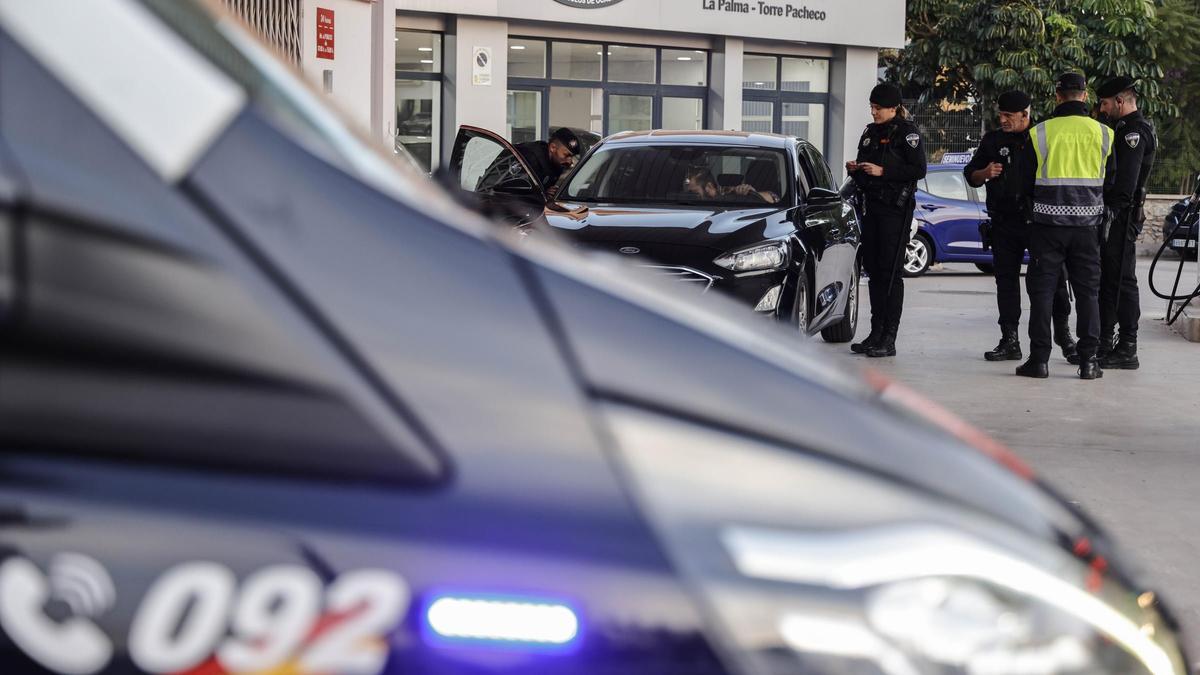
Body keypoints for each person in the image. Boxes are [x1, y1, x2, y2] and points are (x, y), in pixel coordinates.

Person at [964, 90, 1077, 363]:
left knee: (1054, 281)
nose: (1003, 119)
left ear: (1025, 114)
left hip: (1039, 222)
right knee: (1006, 281)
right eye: (1000, 114)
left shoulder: (1042, 135)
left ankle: (1063, 334)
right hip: (1004, 222)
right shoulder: (993, 140)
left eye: (1009, 116)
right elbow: (971, 175)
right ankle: (1009, 339)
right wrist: (984, 173)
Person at [1018, 73, 1114, 380]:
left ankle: (1039, 361)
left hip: (1047, 226)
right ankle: (1089, 362)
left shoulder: (1040, 132)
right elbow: (1111, 181)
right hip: (1088, 228)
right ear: (1085, 96)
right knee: (1088, 294)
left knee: (1042, 293)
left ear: (1057, 95)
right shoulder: (1104, 133)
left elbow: (1023, 183)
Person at [846, 83, 927, 357]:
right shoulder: (870, 133)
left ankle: (889, 338)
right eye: (872, 107)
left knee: (891, 274)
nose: (873, 112)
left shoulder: (908, 134)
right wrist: (858, 170)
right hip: (872, 209)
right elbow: (865, 169)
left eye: (878, 108)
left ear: (893, 107)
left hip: (896, 211)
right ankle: (875, 332)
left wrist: (883, 170)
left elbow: (918, 169)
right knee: (875, 272)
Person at [1097, 76, 1157, 370]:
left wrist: (1111, 213)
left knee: (1122, 280)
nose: (1102, 109)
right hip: (1119, 215)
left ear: (1120, 101)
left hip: (1122, 216)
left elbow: (1126, 184)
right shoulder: (1124, 128)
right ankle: (1105, 341)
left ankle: (1127, 348)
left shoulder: (1134, 132)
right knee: (1110, 280)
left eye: (1105, 103)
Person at [514, 127, 582, 192]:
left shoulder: (557, 164)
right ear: (553, 148)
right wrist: (542, 193)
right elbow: (517, 190)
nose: (570, 161)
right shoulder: (529, 157)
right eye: (566, 155)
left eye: (572, 156)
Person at [683, 166, 780, 203]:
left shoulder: (732, 192)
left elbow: (774, 197)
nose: (689, 196)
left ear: (709, 187)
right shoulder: (681, 201)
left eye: (694, 193)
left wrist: (753, 194)